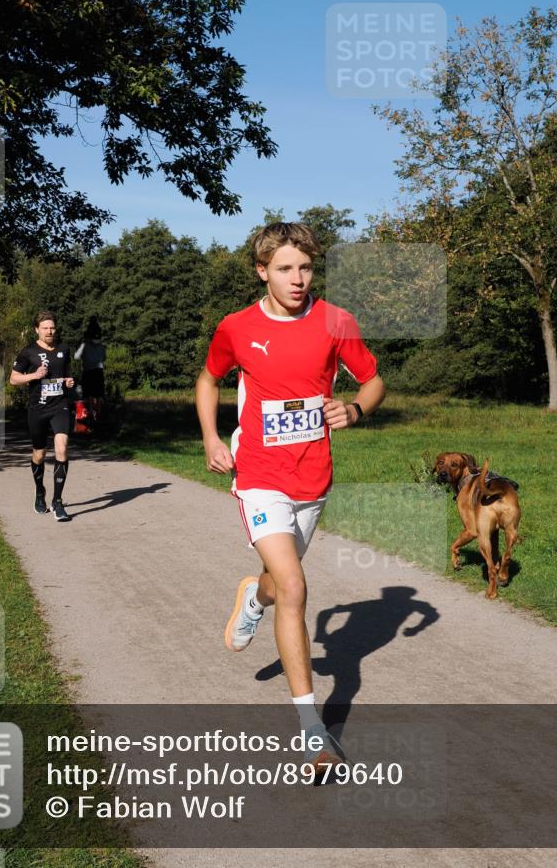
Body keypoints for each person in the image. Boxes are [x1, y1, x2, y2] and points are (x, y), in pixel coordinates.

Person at [196, 222, 385, 774]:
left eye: (305, 268)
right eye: (284, 268)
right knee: (298, 587)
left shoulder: (334, 321)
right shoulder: (237, 327)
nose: (298, 279)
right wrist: (211, 436)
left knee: (280, 585)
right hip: (258, 472)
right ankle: (312, 732)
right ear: (262, 271)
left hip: (314, 478)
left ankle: (255, 599)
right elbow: (208, 379)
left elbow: (373, 380)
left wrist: (354, 409)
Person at [10, 312, 75, 522]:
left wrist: (68, 382)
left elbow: (66, 374)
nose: (50, 331)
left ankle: (57, 502)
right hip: (37, 409)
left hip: (60, 406)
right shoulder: (28, 352)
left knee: (62, 448)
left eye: (52, 328)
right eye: (45, 328)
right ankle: (40, 492)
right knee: (39, 454)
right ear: (36, 329)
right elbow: (13, 379)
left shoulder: (64, 349)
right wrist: (34, 376)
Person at [74, 319, 106, 427]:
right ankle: (100, 416)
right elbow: (104, 357)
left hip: (88, 371)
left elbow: (76, 357)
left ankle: (90, 416)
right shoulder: (101, 345)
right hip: (99, 371)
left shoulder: (85, 344)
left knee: (88, 394)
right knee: (99, 395)